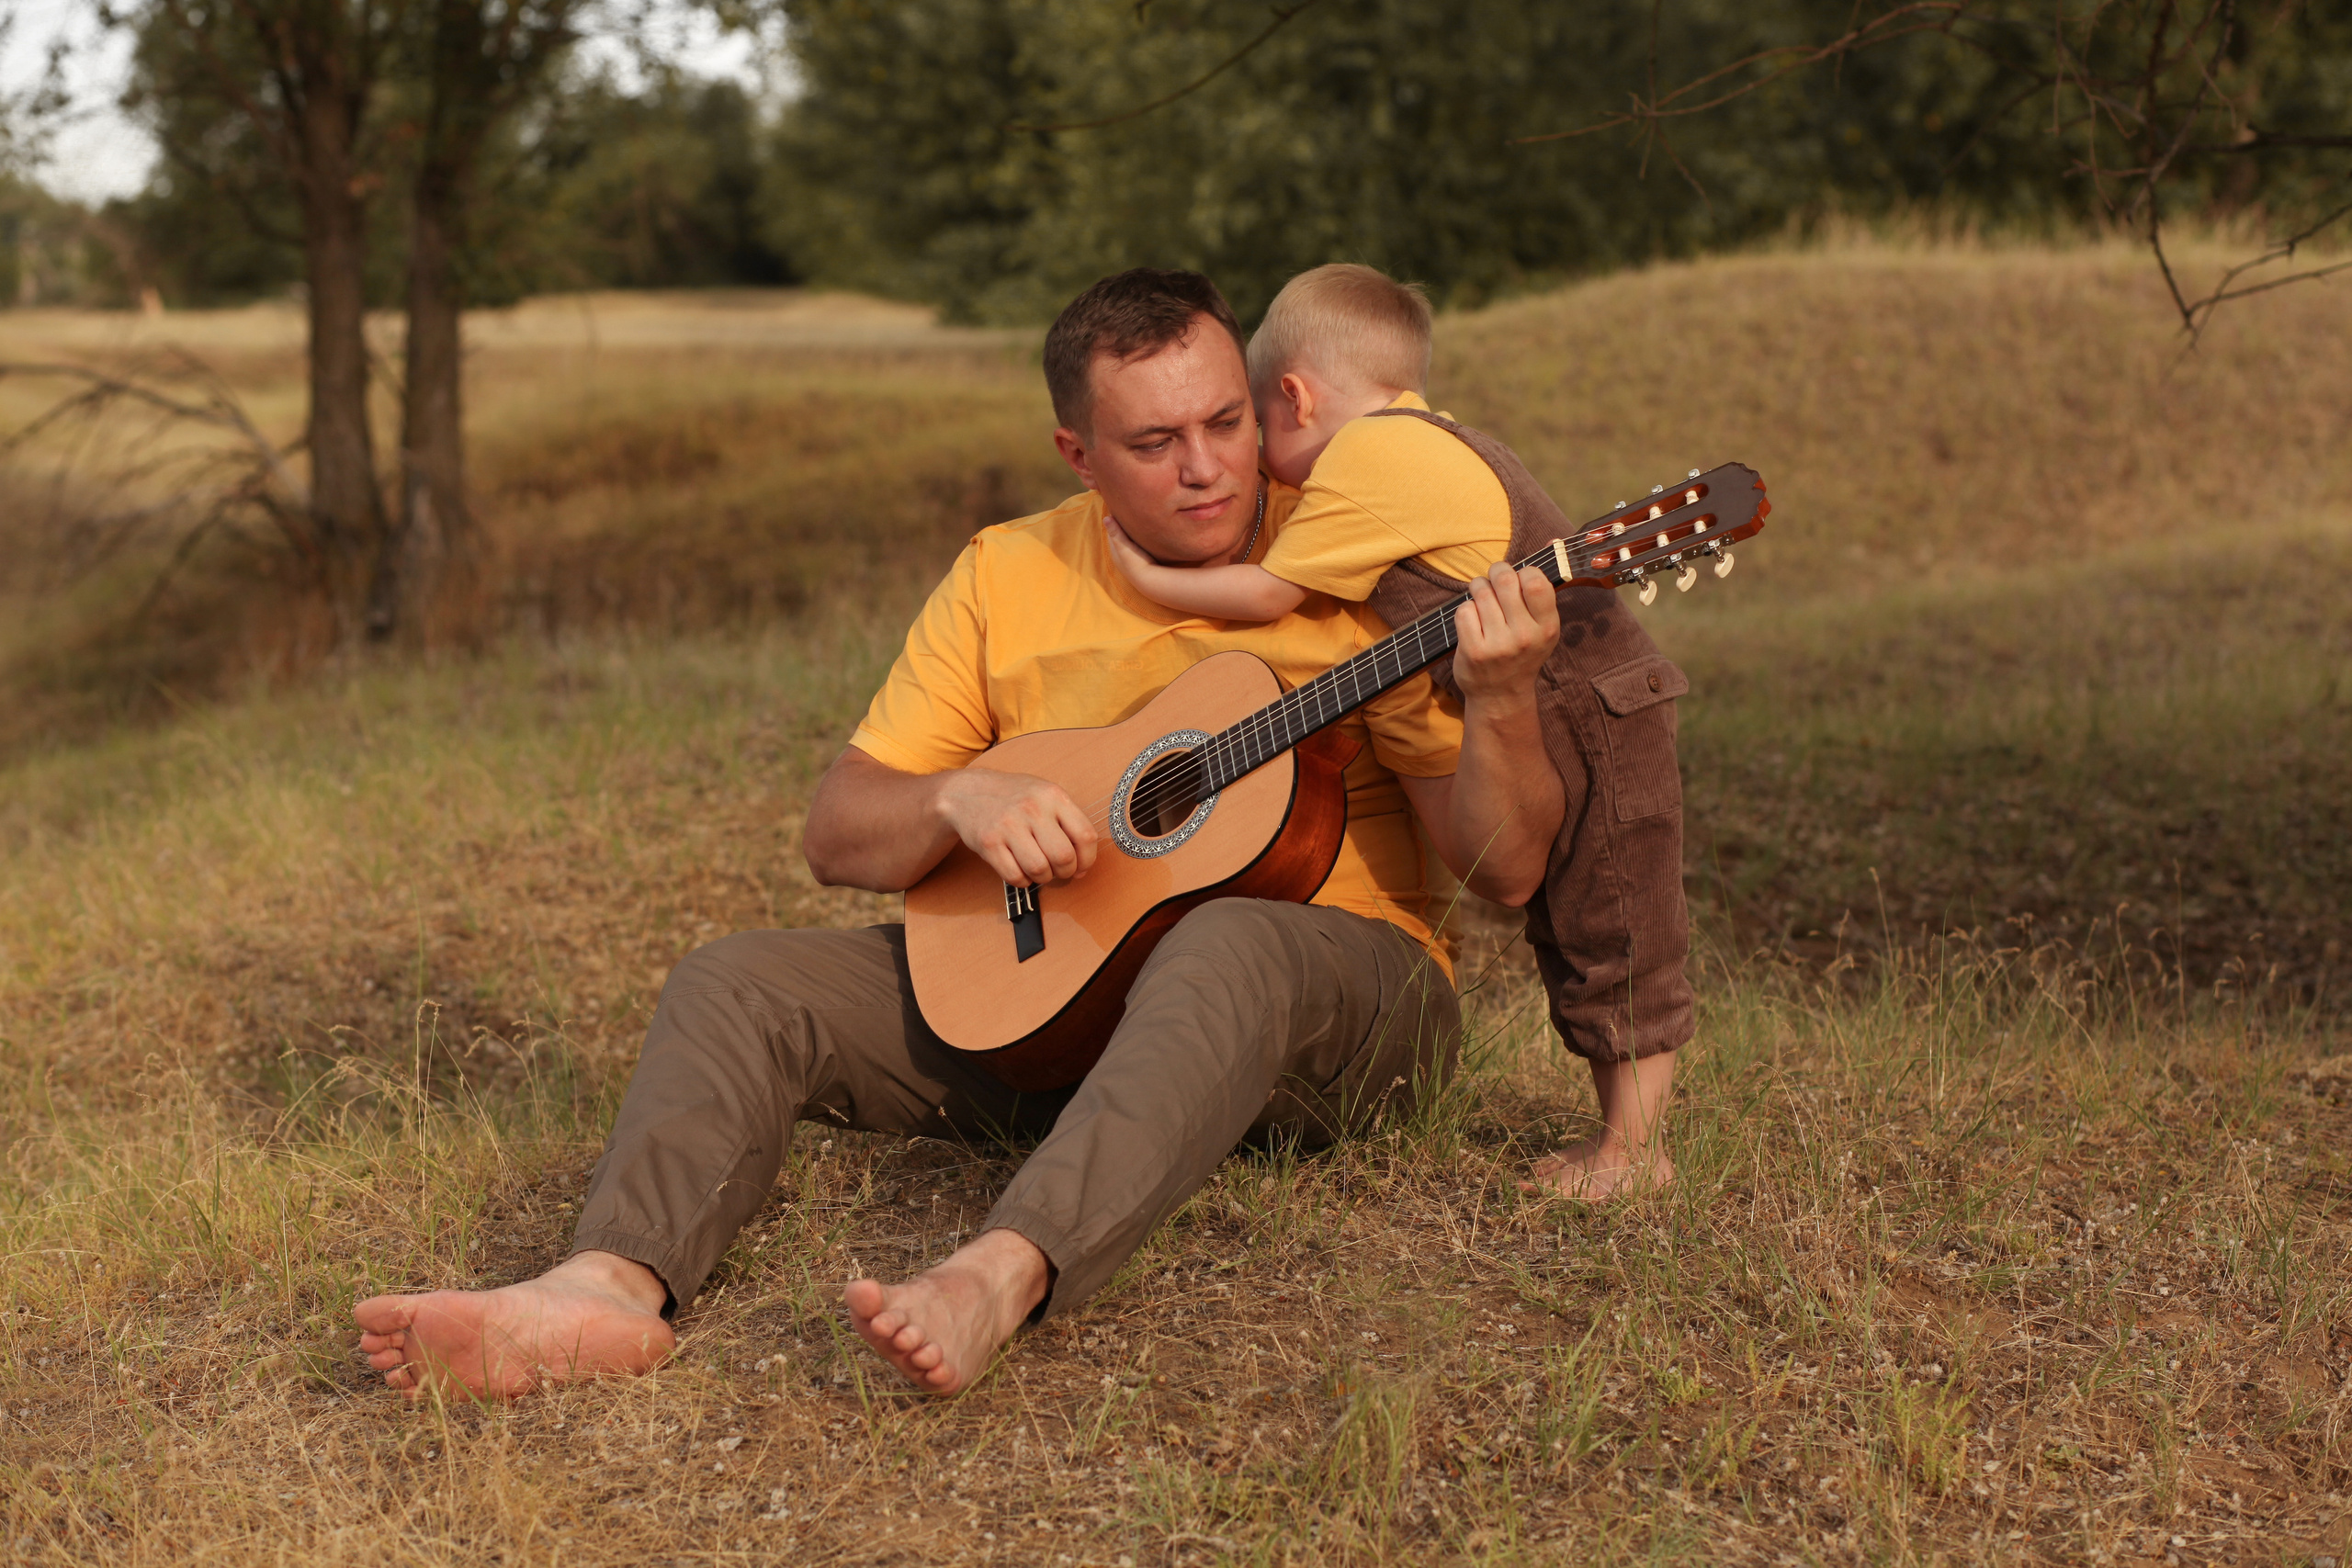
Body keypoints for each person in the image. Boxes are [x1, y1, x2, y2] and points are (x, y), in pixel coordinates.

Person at [351, 267, 1566, 1400]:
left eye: (1225, 424)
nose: (1206, 469)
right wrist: (954, 796)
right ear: (1077, 453)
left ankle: (1001, 1271)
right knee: (736, 983)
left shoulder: (1360, 551)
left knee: (1225, 939)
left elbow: (1505, 868)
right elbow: (840, 827)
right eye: (1153, 443)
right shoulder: (1009, 573)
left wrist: (1503, 696)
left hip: (1344, 1011)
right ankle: (600, 1290)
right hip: (1067, 1011)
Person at [1102, 264, 1694, 1200]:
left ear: (1292, 397)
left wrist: (1142, 574)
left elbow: (1266, 595)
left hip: (1590, 697)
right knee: (1581, 911)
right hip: (1567, 695)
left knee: (1616, 914)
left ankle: (1636, 1151)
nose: (1253, 459)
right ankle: (1623, 1139)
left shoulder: (1369, 461)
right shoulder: (1439, 441)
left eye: (1252, 424)